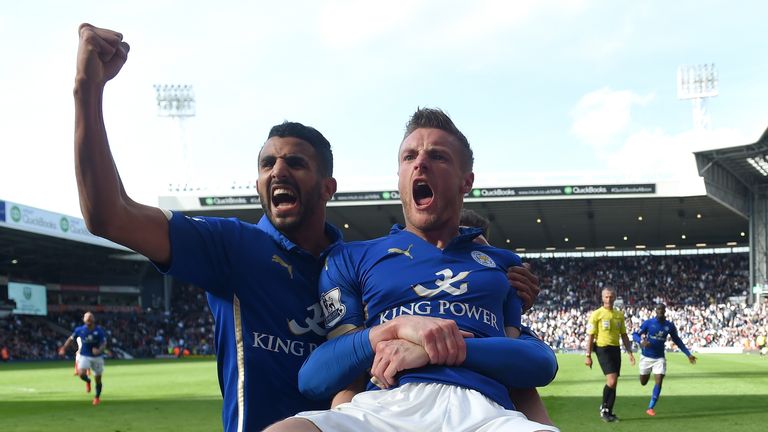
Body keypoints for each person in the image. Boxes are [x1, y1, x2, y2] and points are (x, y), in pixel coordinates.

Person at [72, 25, 542, 431]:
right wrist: (87, 91)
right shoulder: (235, 248)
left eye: (294, 162)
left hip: (405, 408)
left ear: (327, 187)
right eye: (266, 163)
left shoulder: (353, 258)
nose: (277, 172)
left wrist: (488, 287)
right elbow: (109, 216)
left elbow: (526, 370)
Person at [268, 108, 559, 432]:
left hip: (485, 412)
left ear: (467, 182)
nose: (420, 163)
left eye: (438, 156)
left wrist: (428, 350)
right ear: (399, 176)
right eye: (409, 157)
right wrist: (389, 332)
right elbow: (316, 377)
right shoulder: (349, 258)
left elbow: (536, 364)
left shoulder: (503, 265)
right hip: (382, 409)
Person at [631, 304, 697, 416]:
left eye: (662, 309)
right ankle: (645, 375)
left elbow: (677, 340)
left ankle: (650, 407)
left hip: (659, 358)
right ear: (655, 311)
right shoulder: (648, 323)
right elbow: (635, 334)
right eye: (658, 309)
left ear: (665, 311)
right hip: (646, 357)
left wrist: (688, 354)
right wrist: (641, 341)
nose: (660, 311)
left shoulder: (669, 326)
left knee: (659, 381)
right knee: (643, 382)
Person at [585, 286, 635, 422]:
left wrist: (630, 352)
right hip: (602, 348)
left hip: (615, 349)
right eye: (606, 296)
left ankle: (609, 411)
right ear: (602, 298)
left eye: (611, 296)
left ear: (615, 297)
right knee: (612, 380)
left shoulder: (619, 315)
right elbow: (590, 336)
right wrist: (588, 355)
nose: (609, 299)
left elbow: (624, 335)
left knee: (614, 382)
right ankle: (604, 408)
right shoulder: (597, 314)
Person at [58, 312, 107, 405]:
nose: (88, 320)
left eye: (90, 318)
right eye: (86, 318)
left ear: (93, 320)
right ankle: (88, 381)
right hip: (85, 355)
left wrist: (99, 350)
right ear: (84, 320)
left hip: (97, 357)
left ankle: (97, 397)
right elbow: (70, 339)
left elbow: (104, 343)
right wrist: (64, 348)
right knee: (81, 374)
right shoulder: (79, 330)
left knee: (98, 379)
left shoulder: (99, 331)